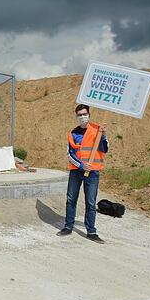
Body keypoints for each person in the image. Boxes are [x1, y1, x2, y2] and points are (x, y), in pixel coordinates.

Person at [58, 104, 108, 244]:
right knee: (70, 200)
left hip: (92, 173)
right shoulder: (73, 133)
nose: (82, 117)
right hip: (76, 172)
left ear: (89, 114)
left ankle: (91, 232)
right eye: (79, 115)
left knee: (91, 203)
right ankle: (68, 227)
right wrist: (81, 165)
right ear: (76, 116)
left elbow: (104, 149)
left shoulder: (98, 130)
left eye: (84, 114)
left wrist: (103, 135)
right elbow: (69, 155)